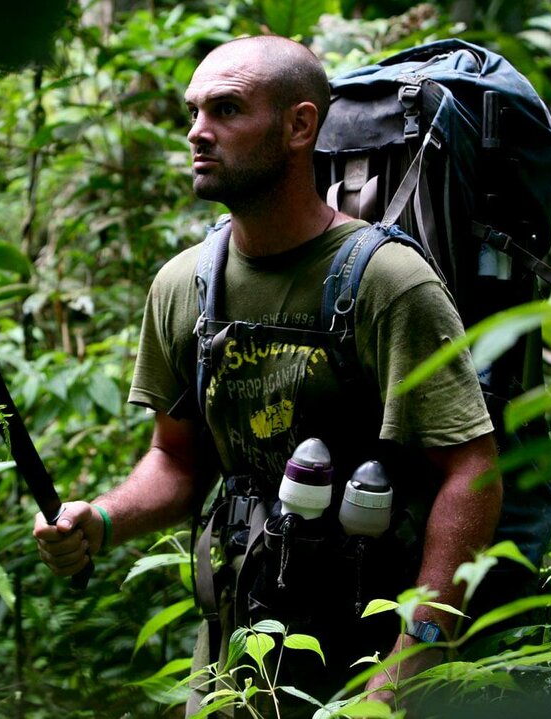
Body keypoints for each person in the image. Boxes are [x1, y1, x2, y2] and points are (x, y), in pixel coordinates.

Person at [32, 35, 501, 715]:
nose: (199, 132)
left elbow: (471, 470)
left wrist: (415, 653)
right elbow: (177, 459)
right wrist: (99, 520)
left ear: (299, 126)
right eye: (193, 112)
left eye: (226, 110)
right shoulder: (185, 287)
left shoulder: (385, 283)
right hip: (236, 653)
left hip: (372, 654)